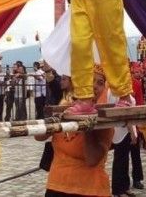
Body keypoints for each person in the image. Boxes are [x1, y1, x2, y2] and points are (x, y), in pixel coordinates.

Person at [37, 64, 114, 196]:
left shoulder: (104, 119)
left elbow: (92, 160)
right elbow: (38, 136)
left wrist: (86, 126)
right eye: (90, 80)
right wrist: (56, 120)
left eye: (100, 83)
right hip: (56, 185)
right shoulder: (66, 108)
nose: (94, 86)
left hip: (90, 189)